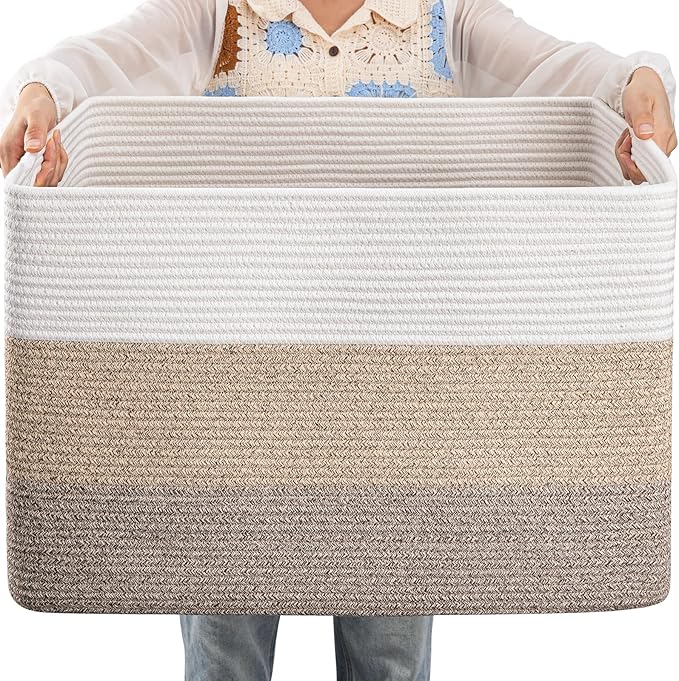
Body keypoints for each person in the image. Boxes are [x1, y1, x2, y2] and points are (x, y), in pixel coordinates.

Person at [0, 2, 675, 680]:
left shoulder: (446, 16)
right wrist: (42, 93)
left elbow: (558, 67)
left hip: (399, 414)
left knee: (389, 660)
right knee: (224, 654)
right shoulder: (219, 13)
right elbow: (108, 58)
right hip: (234, 412)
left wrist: (635, 82)